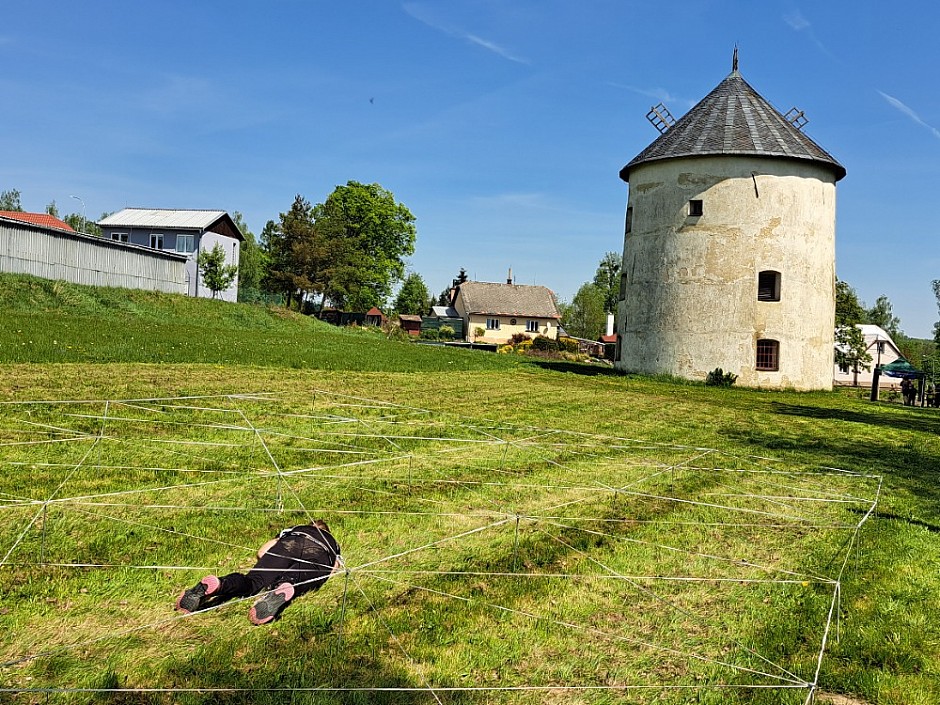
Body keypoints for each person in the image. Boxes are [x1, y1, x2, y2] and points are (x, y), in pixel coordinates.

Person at [176, 519, 341, 625]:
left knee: (253, 582)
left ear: (310, 525)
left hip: (290, 543)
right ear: (328, 532)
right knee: (297, 580)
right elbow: (334, 569)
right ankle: (285, 585)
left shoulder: (296, 529)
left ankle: (220, 584)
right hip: (321, 554)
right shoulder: (333, 543)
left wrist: (270, 565)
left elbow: (263, 551)